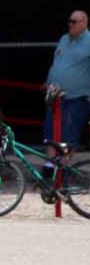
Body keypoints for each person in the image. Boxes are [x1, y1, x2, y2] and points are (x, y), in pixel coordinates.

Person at [42, 10, 90, 175]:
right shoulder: (64, 39)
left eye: (74, 21)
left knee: (69, 133)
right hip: (55, 95)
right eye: (69, 21)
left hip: (76, 97)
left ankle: (63, 169)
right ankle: (50, 167)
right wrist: (48, 81)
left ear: (84, 23)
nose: (70, 24)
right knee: (50, 131)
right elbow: (58, 63)